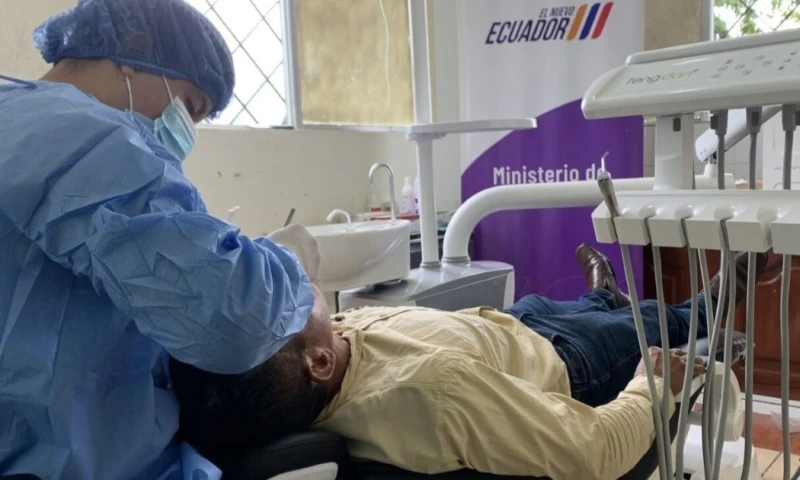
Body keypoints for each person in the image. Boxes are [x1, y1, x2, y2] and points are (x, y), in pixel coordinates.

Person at [0, 0, 321, 478]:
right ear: (134, 49)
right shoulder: (88, 138)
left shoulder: (17, 116)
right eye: (190, 107)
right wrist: (296, 270)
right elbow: (235, 315)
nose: (185, 131)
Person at [171, 245, 768, 480]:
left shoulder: (317, 362)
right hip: (567, 363)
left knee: (570, 303)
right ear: (320, 362)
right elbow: (595, 452)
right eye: (290, 310)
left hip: (510, 327)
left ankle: (603, 293)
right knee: (654, 323)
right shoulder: (435, 393)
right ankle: (714, 304)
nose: (293, 298)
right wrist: (653, 385)